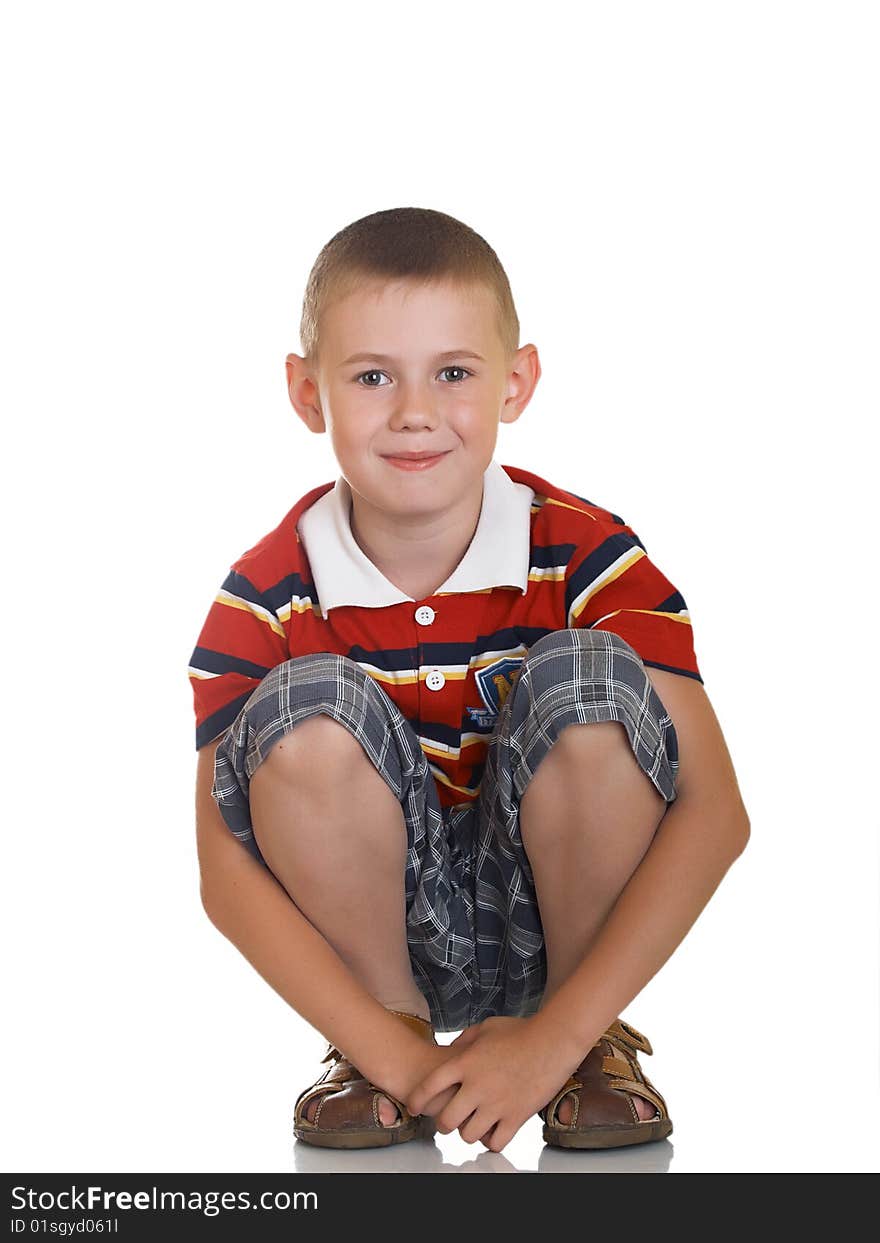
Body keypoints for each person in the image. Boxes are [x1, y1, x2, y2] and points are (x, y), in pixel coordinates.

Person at [188, 206, 750, 1155]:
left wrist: (553, 1037)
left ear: (516, 382)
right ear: (306, 392)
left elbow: (717, 810)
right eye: (373, 376)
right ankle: (374, 1048)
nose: (414, 411)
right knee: (304, 707)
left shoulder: (586, 556)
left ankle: (590, 1055)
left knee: (588, 681)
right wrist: (407, 1065)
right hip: (378, 953)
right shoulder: (265, 599)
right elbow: (224, 873)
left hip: (561, 943)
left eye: (453, 372)